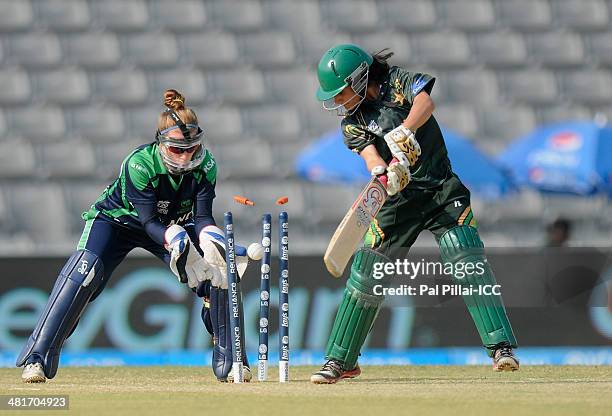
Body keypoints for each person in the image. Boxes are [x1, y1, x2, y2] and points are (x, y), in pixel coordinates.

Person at [311, 44, 519, 384]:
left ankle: (501, 349)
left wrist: (405, 131)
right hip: (398, 199)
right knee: (367, 275)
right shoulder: (353, 122)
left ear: (360, 78)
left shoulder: (397, 82)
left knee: (466, 259)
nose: (338, 101)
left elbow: (425, 101)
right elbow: (369, 157)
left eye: (341, 91)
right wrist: (385, 174)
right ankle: (340, 361)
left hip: (440, 190)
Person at [17, 89, 253, 383]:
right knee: (83, 274)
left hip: (174, 224)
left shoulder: (206, 166)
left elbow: (203, 216)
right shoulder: (140, 164)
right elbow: (148, 222)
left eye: (191, 148)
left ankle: (233, 361)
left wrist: (211, 237)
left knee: (219, 269)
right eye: (177, 149)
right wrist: (174, 238)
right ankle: (37, 358)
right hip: (118, 223)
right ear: (161, 142)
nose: (185, 156)